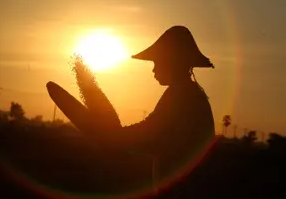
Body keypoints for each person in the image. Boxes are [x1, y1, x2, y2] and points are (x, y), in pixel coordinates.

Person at [92, 26, 216, 192]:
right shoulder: (189, 93)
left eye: (158, 62)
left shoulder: (181, 94)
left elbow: (151, 133)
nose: (154, 69)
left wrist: (115, 137)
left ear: (172, 62)